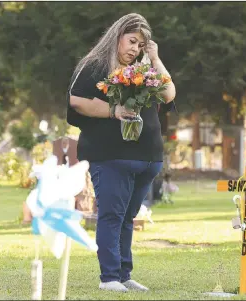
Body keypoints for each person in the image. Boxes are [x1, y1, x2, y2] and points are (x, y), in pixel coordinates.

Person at [66, 13, 176, 292]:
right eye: (131, 41)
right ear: (117, 37)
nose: (134, 49)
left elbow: (169, 94)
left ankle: (124, 274)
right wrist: (113, 111)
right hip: (110, 156)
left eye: (140, 44)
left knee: (128, 218)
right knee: (112, 216)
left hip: (147, 157)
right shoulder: (95, 65)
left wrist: (155, 57)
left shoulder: (145, 69)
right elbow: (76, 101)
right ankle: (110, 278)